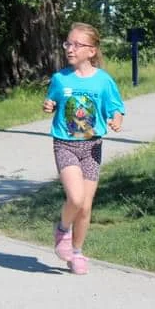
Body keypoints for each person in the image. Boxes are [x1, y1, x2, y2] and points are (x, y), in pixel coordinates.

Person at [43, 22, 125, 275]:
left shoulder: (103, 81)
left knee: (86, 205)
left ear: (92, 51)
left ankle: (77, 252)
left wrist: (116, 120)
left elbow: (116, 107)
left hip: (92, 147)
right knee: (75, 198)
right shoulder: (60, 78)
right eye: (68, 43)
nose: (70, 48)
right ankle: (62, 230)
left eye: (78, 45)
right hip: (65, 144)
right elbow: (52, 100)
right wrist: (48, 105)